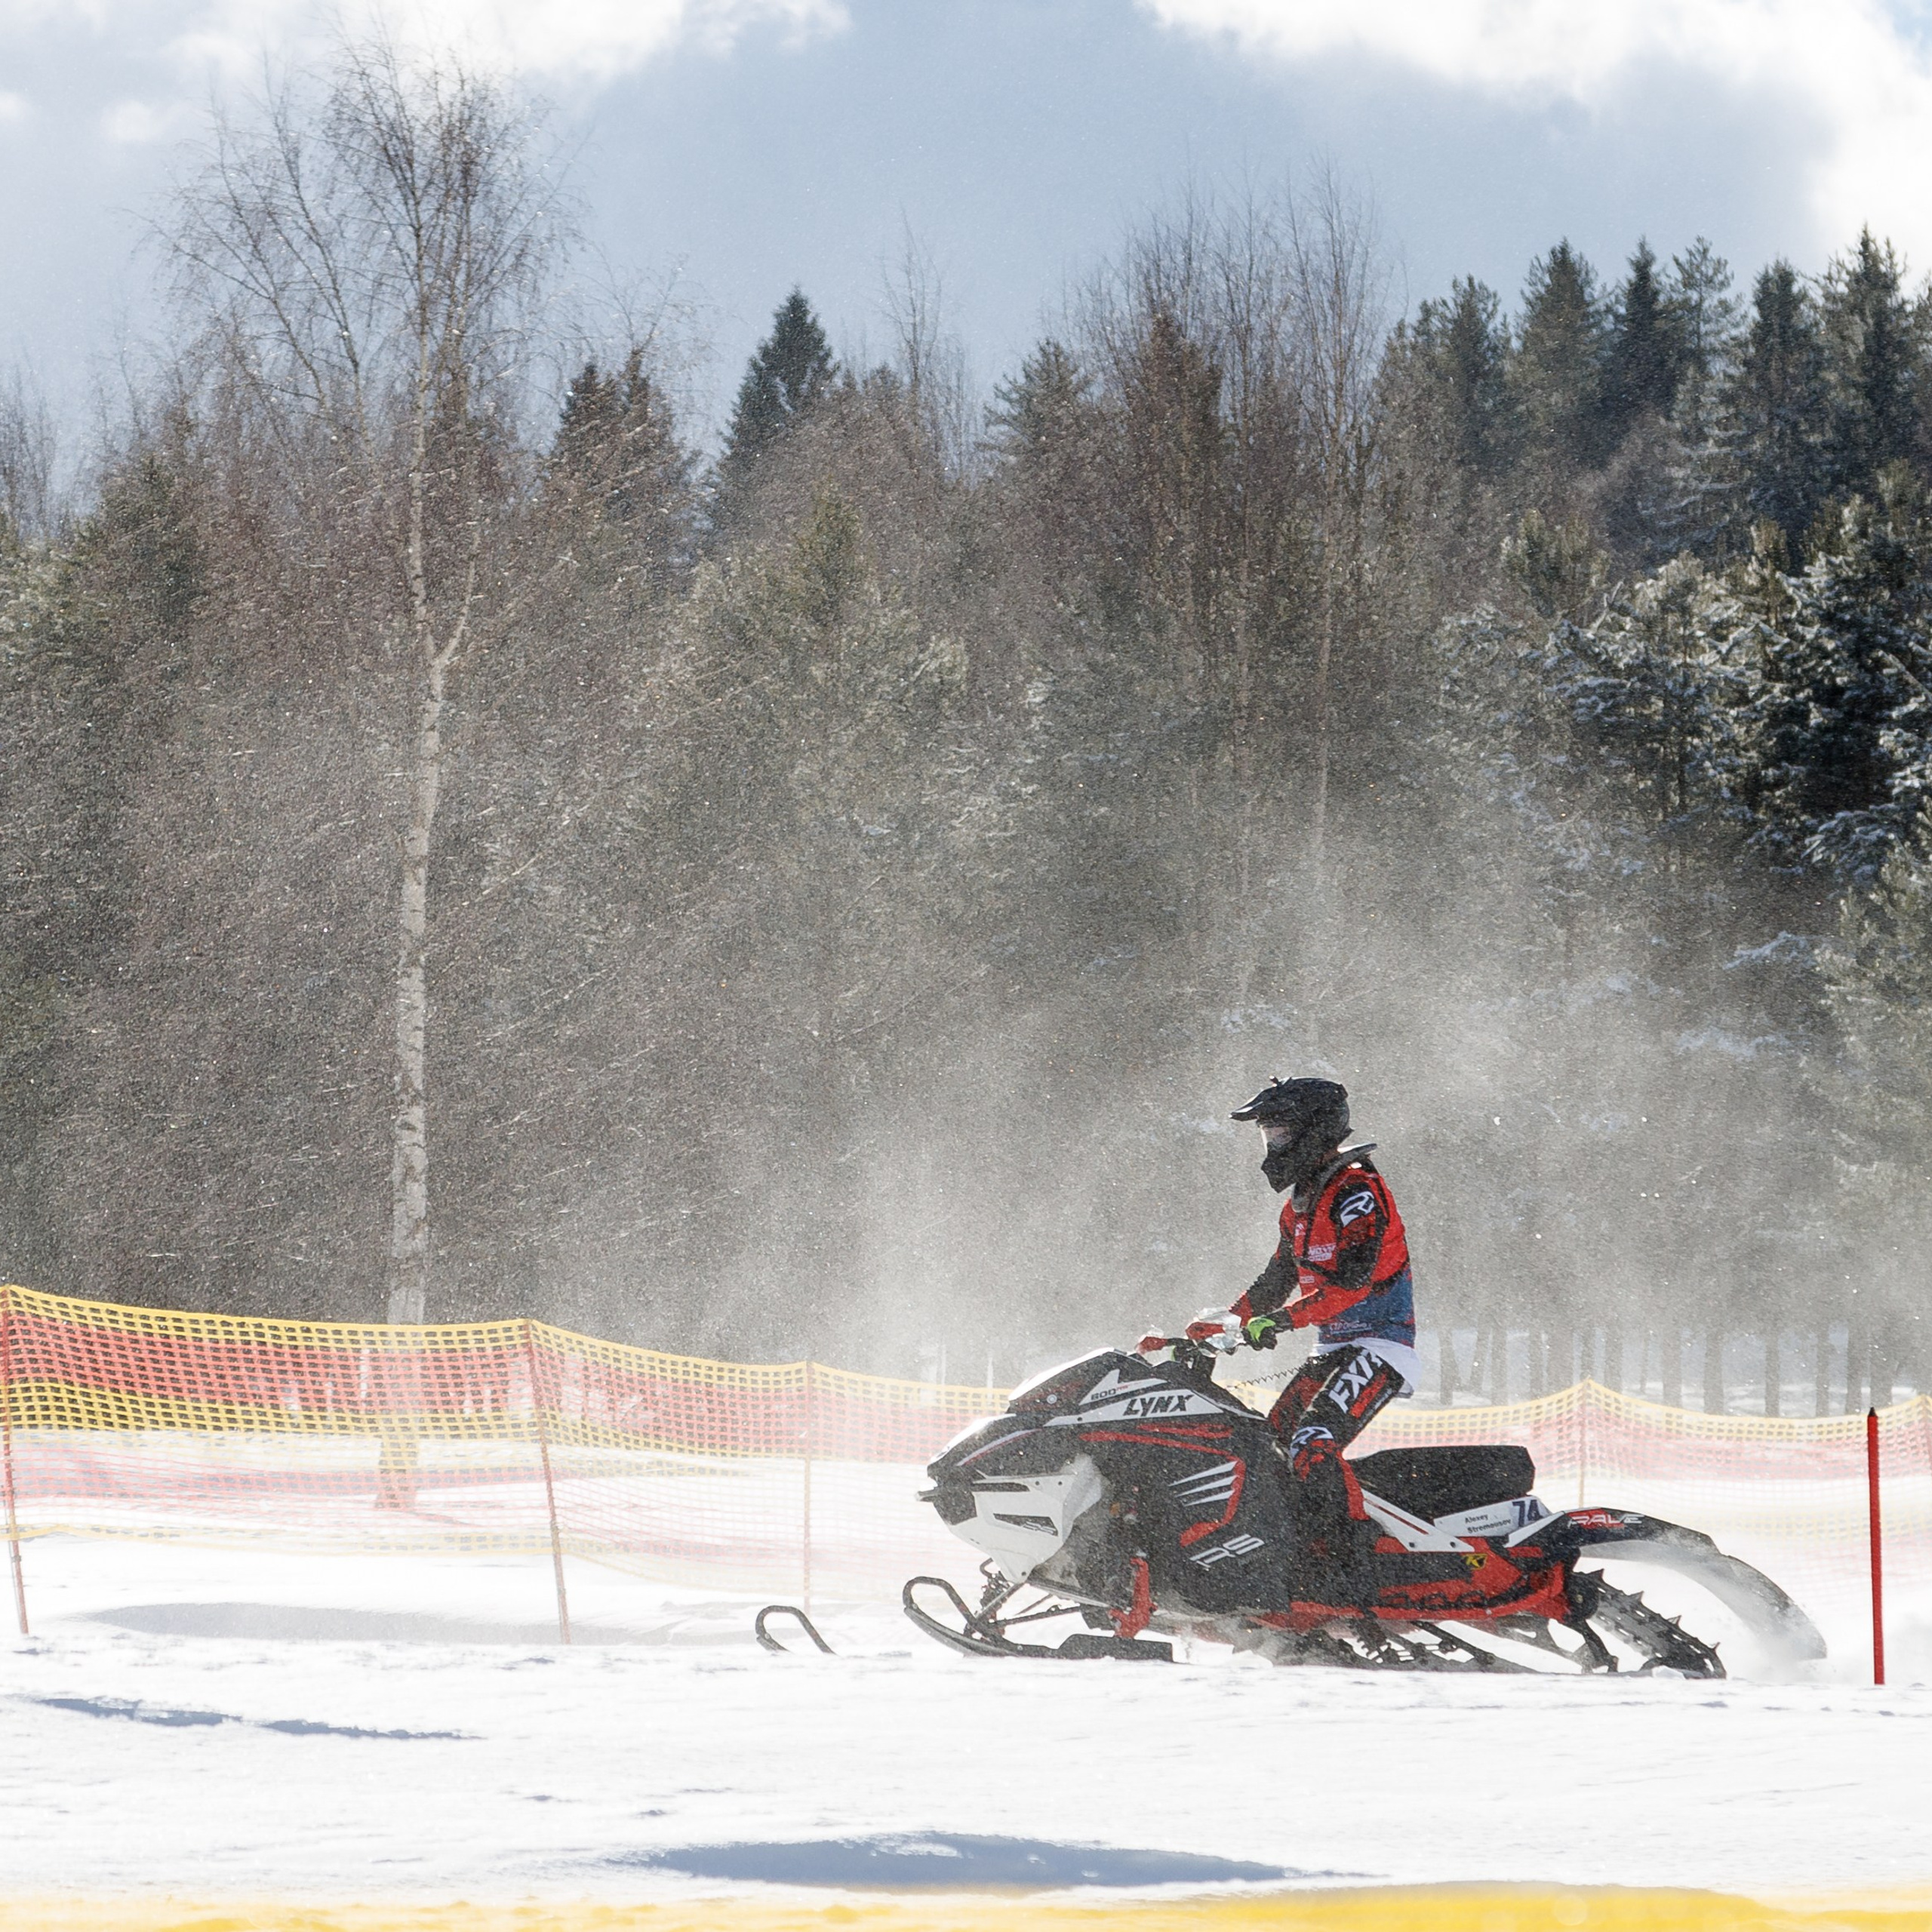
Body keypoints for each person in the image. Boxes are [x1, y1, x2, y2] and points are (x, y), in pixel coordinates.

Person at [1183, 1076, 1418, 1580]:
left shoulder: (1356, 1191)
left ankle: (1354, 1566)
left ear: (1315, 1130)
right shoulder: (1301, 1205)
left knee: (1313, 1442)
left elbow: (1352, 1284)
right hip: (1333, 1348)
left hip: (1381, 1344)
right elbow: (1276, 1279)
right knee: (1269, 1448)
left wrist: (1281, 1321)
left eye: (1281, 1135)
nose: (1273, 1148)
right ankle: (1298, 1558)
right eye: (1268, 1137)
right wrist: (1227, 1323)